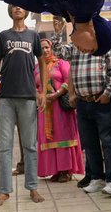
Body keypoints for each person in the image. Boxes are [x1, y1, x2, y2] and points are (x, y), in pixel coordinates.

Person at [0, 5, 46, 207]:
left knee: (30, 145)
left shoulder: (33, 35)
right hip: (5, 97)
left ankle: (32, 187)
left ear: (26, 11)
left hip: (28, 97)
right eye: (13, 6)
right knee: (4, 147)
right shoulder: (4, 36)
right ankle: (4, 191)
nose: (17, 9)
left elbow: (42, 62)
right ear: (10, 11)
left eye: (20, 6)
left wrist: (43, 91)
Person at [61, 40, 111, 197]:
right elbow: (59, 52)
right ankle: (96, 178)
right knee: (90, 143)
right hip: (83, 103)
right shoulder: (75, 47)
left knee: (109, 142)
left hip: (102, 102)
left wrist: (107, 94)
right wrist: (57, 32)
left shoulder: (105, 46)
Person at [35, 38, 84, 182]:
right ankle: (55, 170)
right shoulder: (36, 67)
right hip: (45, 107)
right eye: (41, 48)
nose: (44, 50)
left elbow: (69, 80)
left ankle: (65, 170)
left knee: (63, 136)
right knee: (48, 137)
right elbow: (33, 85)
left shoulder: (61, 63)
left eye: (46, 47)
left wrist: (56, 94)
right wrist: (40, 96)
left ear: (51, 48)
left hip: (60, 107)